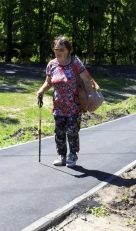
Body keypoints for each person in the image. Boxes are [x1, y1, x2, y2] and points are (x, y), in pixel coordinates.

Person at [36, 35, 95, 167]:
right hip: (58, 105)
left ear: (68, 50)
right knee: (59, 132)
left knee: (72, 131)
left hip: (74, 105)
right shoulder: (52, 64)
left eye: (62, 49)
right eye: (56, 49)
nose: (58, 52)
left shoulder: (75, 63)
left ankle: (73, 155)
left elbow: (86, 80)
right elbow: (48, 82)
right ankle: (61, 155)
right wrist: (41, 91)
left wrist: (90, 97)